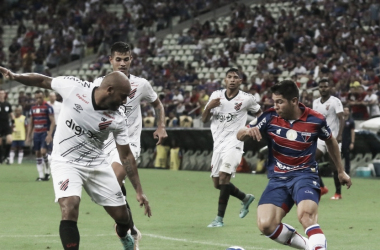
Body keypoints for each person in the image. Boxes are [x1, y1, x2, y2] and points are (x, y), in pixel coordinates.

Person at [0, 66, 151, 250]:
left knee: (123, 218)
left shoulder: (118, 119)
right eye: (123, 96)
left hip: (97, 164)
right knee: (69, 207)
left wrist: (139, 191)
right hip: (65, 161)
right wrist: (16, 75)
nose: (125, 101)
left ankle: (122, 233)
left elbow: (126, 155)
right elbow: (42, 80)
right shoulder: (75, 88)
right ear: (110, 90)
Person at [237, 80, 352, 250]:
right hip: (278, 178)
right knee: (266, 224)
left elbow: (331, 142)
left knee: (305, 216)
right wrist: (247, 131)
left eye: (280, 102)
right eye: (274, 101)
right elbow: (239, 134)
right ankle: (309, 246)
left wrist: (341, 171)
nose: (275, 106)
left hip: (305, 175)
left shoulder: (315, 120)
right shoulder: (269, 117)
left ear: (294, 101)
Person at [94, 42, 167, 249]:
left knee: (114, 180)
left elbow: (158, 105)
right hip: (104, 143)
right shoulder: (99, 83)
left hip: (129, 142)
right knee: (114, 189)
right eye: (118, 59)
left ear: (131, 60)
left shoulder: (141, 84)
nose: (123, 63)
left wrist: (161, 126)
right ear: (111, 60)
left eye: (126, 59)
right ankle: (131, 230)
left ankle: (124, 230)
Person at [202, 68, 262, 227]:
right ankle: (245, 198)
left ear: (240, 81)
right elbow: (204, 119)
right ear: (225, 80)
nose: (232, 80)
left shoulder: (247, 99)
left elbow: (261, 115)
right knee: (218, 184)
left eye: (236, 77)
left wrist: (250, 128)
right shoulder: (216, 96)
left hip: (234, 143)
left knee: (224, 178)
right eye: (229, 77)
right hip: (218, 145)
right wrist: (209, 107)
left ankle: (219, 219)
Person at [312, 79, 344, 200]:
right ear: (319, 88)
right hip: (320, 138)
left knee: (335, 166)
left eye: (325, 86)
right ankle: (322, 187)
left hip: (333, 138)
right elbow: (314, 119)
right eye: (321, 87)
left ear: (329, 88)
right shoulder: (315, 102)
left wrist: (340, 135)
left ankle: (338, 193)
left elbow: (342, 118)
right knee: (310, 161)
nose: (323, 89)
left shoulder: (335, 101)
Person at [26, 90, 55, 181]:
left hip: (44, 133)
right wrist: (28, 136)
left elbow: (53, 122)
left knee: (43, 152)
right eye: (37, 98)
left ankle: (47, 170)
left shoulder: (48, 107)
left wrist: (50, 134)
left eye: (40, 97)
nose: (38, 99)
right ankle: (42, 175)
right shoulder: (33, 108)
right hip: (36, 133)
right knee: (38, 154)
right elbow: (31, 123)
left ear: (43, 97)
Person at [0, 89, 14, 164]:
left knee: (10, 140)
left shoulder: (7, 104)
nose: (1, 95)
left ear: (5, 95)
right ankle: (1, 157)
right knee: (0, 143)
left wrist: (13, 123)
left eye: (3, 93)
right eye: (0, 93)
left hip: (6, 125)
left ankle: (6, 156)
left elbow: (11, 114)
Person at [341, 106, 355, 175]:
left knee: (347, 156)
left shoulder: (351, 121)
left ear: (349, 112)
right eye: (344, 110)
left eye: (347, 110)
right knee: (339, 156)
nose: (346, 112)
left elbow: (352, 132)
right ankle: (340, 170)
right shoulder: (340, 120)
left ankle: (347, 171)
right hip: (340, 141)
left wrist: (352, 142)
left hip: (347, 141)